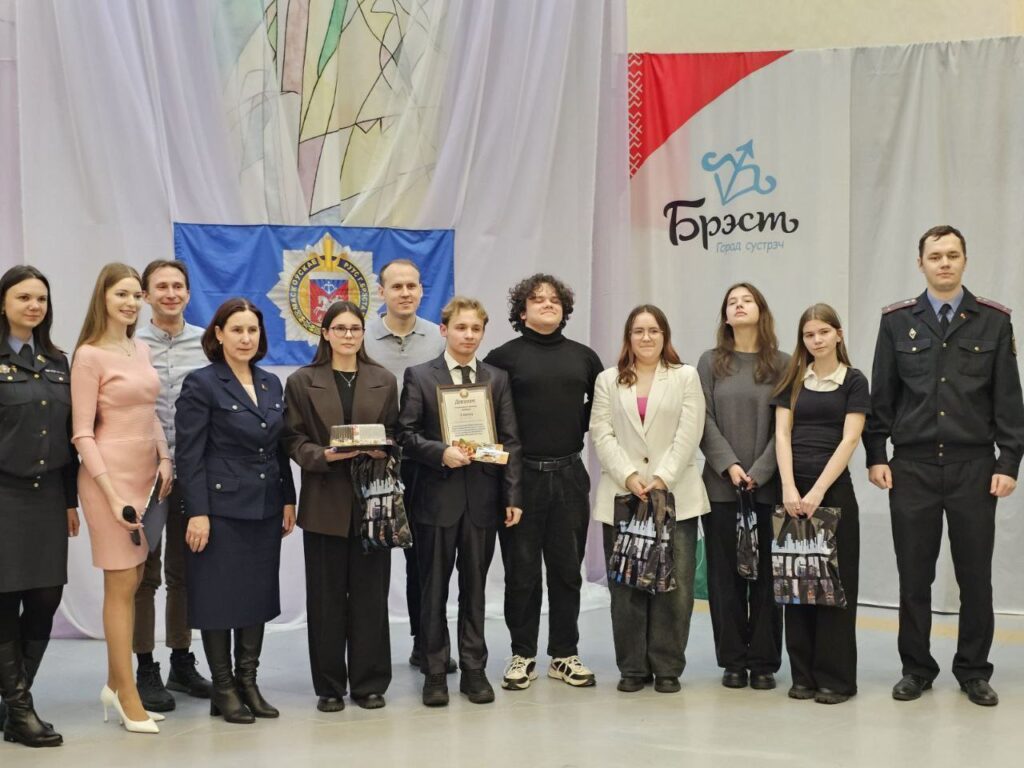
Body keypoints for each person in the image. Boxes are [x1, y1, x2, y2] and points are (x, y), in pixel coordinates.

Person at [864, 225, 1024, 708]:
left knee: (975, 577)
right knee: (914, 577)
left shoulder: (993, 322)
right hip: (912, 468)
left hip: (973, 467)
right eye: (935, 256)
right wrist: (876, 455)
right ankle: (916, 669)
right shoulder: (896, 322)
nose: (945, 263)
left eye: (953, 255)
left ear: (965, 260)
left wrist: (1009, 462)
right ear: (921, 264)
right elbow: (882, 395)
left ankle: (974, 670)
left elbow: (1008, 401)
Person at [174, 298, 296, 725]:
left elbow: (278, 448)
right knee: (218, 598)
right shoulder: (202, 383)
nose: (246, 338)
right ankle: (223, 688)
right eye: (237, 330)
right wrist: (197, 512)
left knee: (255, 596)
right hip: (219, 509)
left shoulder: (270, 383)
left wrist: (288, 497)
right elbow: (189, 455)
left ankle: (248, 682)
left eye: (253, 330)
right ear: (219, 334)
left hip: (264, 507)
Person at [397, 296, 522, 707]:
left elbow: (510, 441)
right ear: (444, 330)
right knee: (432, 589)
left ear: (483, 333)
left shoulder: (496, 379)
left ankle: (474, 669)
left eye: (475, 329)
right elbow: (405, 435)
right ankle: (435, 670)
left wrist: (512, 495)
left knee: (475, 590)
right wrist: (440, 453)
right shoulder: (420, 376)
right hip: (435, 500)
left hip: (482, 501)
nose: (468, 335)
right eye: (461, 327)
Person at [483, 274, 603, 690]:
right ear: (522, 311)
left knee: (568, 571)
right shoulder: (502, 358)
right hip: (520, 478)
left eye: (554, 299)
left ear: (565, 309)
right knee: (522, 572)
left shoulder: (584, 357)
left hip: (570, 475)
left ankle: (564, 654)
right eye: (537, 299)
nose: (548, 304)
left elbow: (600, 410)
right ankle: (522, 654)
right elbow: (487, 418)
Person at [71, 263, 173, 734]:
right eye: (122, 295)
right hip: (107, 481)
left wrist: (165, 458)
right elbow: (82, 433)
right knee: (120, 582)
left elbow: (150, 413)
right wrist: (111, 496)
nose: (131, 303)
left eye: (136, 295)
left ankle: (115, 683)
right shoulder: (89, 355)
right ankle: (128, 695)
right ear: (103, 298)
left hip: (147, 477)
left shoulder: (141, 348)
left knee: (134, 580)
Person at [283, 301, 398, 712]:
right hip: (324, 501)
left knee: (371, 597)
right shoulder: (301, 381)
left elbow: (397, 433)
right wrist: (322, 455)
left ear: (363, 334)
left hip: (372, 501)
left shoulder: (384, 379)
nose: (348, 335)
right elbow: (292, 439)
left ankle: (369, 682)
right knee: (326, 599)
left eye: (355, 328)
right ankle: (329, 686)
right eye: (340, 328)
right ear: (325, 333)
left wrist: (386, 449)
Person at [589, 304, 709, 694]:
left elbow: (690, 431)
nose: (646, 337)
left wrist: (661, 478)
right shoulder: (608, 380)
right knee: (626, 586)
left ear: (664, 336)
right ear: (628, 337)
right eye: (638, 331)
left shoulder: (685, 376)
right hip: (623, 495)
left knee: (675, 588)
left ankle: (667, 666)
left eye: (654, 330)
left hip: (675, 494)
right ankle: (633, 667)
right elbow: (601, 433)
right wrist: (629, 475)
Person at [772, 303, 869, 705]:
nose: (817, 340)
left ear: (838, 334)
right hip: (793, 494)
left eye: (823, 332)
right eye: (809, 334)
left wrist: (817, 493)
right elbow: (782, 435)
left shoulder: (854, 381)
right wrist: (789, 488)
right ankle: (803, 676)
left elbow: (850, 439)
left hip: (833, 493)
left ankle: (836, 679)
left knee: (834, 587)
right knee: (796, 586)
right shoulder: (793, 379)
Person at [0, 266, 79, 748]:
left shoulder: (58, 361)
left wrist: (70, 501)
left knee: (46, 597)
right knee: (5, 600)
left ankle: (13, 700)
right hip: (4, 496)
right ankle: (20, 709)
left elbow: (70, 437)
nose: (34, 306)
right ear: (3, 303)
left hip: (48, 495)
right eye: (23, 297)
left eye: (41, 299)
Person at [697, 283, 787, 691]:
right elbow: (702, 420)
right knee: (725, 579)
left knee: (766, 579)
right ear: (725, 315)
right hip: (721, 489)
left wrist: (761, 471)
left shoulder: (783, 364)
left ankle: (764, 661)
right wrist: (730, 466)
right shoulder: (710, 362)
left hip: (767, 489)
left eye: (746, 300)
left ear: (761, 310)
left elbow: (787, 426)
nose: (738, 305)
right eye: (731, 301)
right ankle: (733, 660)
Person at [361, 258, 449, 673]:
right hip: (372, 465)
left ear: (421, 290)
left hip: (424, 464)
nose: (405, 293)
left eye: (412, 285)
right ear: (381, 292)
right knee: (371, 559)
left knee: (424, 561)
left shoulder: (438, 337)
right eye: (396, 286)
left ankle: (425, 643)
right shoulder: (361, 337)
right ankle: (369, 653)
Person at [132, 259, 210, 711]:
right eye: (161, 286)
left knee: (185, 572)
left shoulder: (206, 343)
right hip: (143, 474)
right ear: (145, 295)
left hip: (192, 472)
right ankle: (145, 667)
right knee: (145, 573)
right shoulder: (130, 345)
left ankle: (181, 659)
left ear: (188, 292)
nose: (171, 293)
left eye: (178, 286)